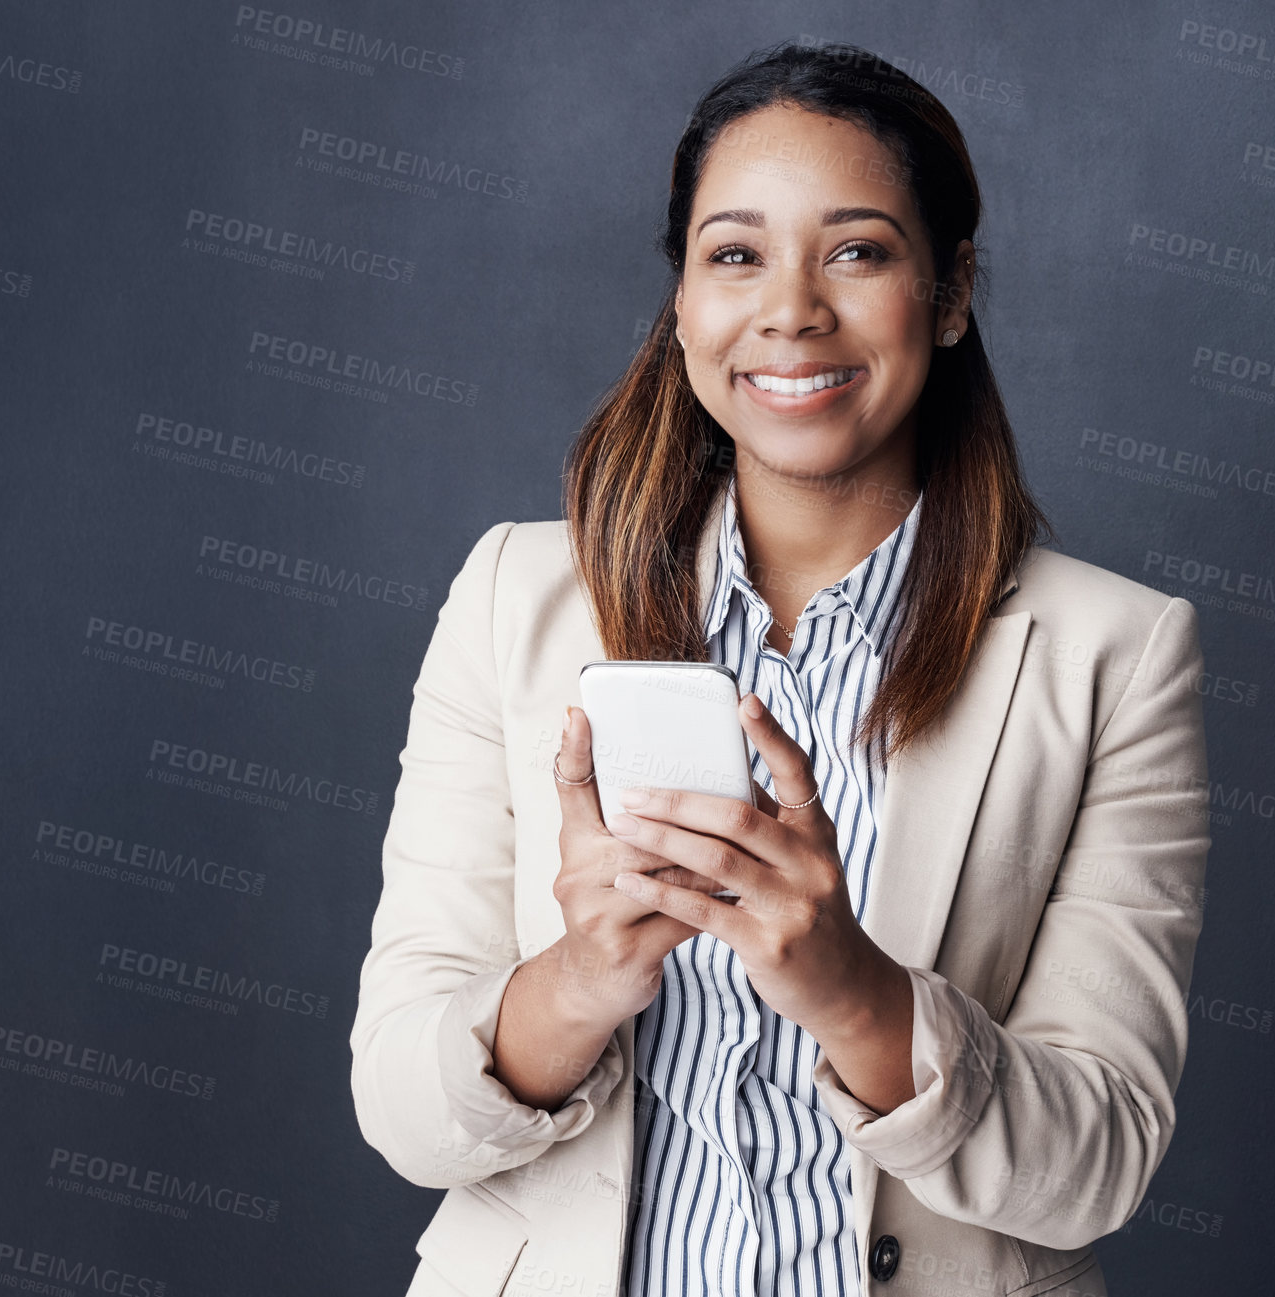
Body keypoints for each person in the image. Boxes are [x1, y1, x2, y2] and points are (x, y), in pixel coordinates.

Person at [351, 40, 1210, 1297]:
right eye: (735, 254)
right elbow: (400, 1108)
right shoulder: (513, 601)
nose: (791, 310)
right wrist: (583, 976)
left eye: (856, 251)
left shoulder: (1112, 657)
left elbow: (1098, 1165)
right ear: (685, 303)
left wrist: (858, 994)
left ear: (951, 290)